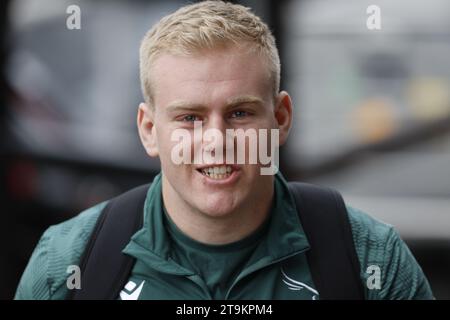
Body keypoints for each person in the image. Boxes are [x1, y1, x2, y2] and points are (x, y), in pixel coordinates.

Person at [15, 0, 433, 300]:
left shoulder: (369, 259)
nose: (216, 140)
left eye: (239, 113)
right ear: (148, 130)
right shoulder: (69, 261)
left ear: (281, 118)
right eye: (189, 118)